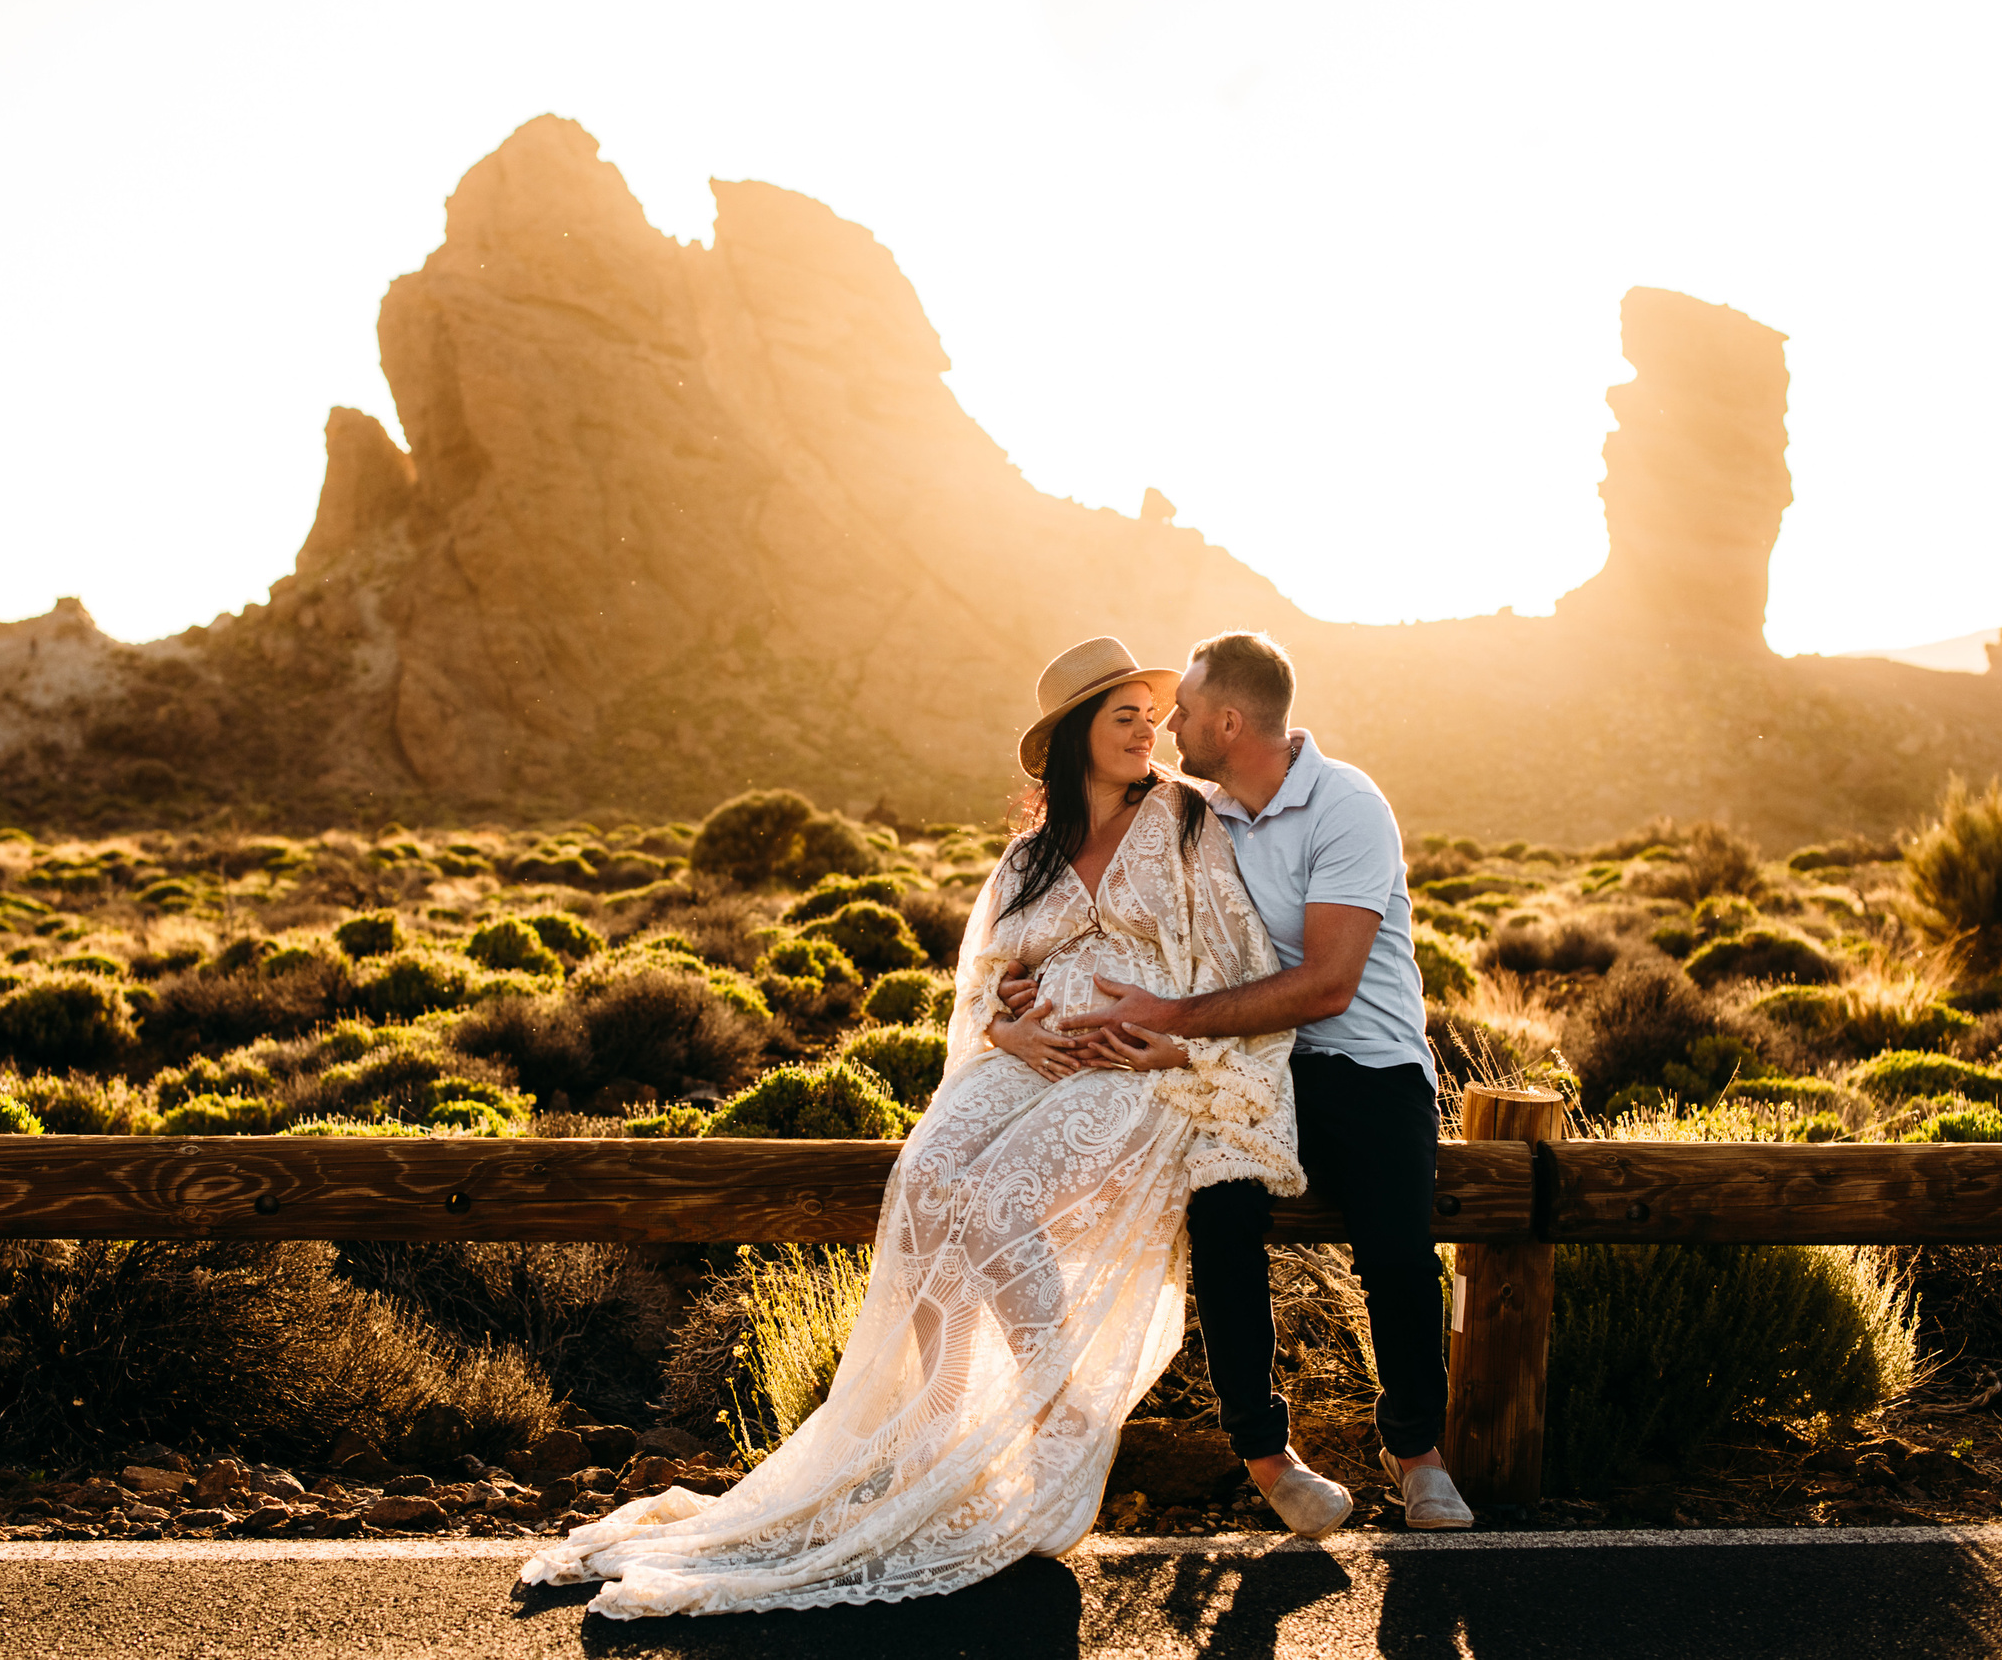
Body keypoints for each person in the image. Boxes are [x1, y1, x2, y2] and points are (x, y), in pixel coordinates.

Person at [520, 636, 1316, 1618]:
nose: (1148, 729)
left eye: (1152, 716)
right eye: (1124, 716)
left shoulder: (1187, 823)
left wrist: (1179, 1047)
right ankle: (938, 1422)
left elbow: (1237, 958)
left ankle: (1060, 1419)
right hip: (1028, 1053)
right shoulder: (1031, 855)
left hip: (1129, 1057)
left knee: (996, 1197)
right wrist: (1008, 1029)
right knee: (929, 1179)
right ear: (1074, 737)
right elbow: (983, 983)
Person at [1031, 629, 1473, 1530]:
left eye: (1183, 713)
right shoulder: (1195, 809)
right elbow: (1100, 877)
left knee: (1394, 1248)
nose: (1168, 727)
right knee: (1221, 1207)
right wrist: (1031, 974)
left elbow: (1328, 983)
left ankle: (1417, 1449)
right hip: (1249, 1063)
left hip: (1369, 1066)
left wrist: (1170, 1018)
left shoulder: (1348, 806)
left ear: (1228, 721)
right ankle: (1266, 1453)